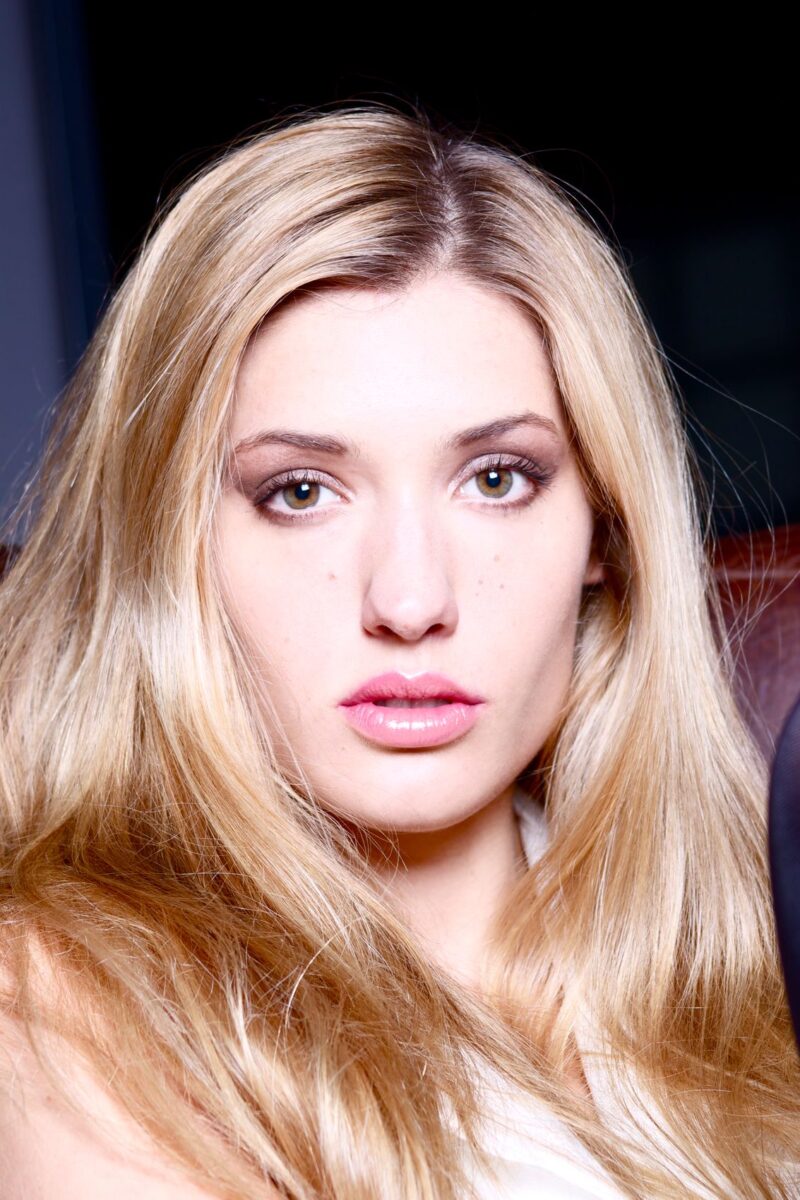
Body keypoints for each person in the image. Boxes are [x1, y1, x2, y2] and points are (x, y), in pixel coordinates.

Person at [0, 100, 797, 1200]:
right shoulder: (67, 1002)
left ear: (604, 530)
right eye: (300, 492)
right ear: (170, 547)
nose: (410, 600)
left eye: (496, 479)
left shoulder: (742, 940)